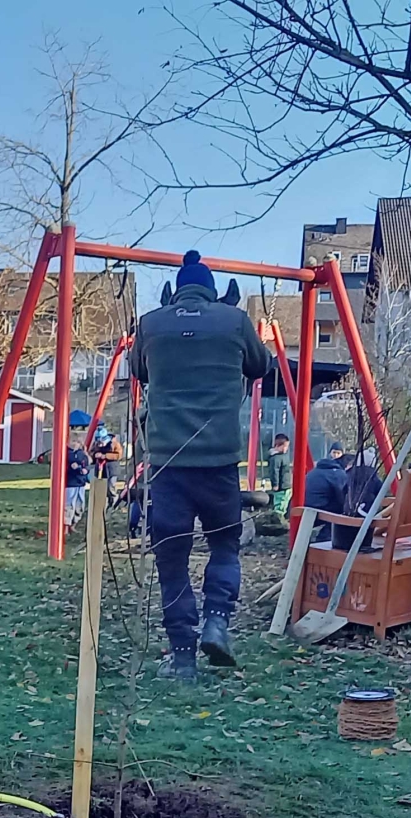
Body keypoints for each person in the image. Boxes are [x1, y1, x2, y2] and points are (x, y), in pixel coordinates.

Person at [128, 250, 272, 682]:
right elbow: (261, 366)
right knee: (225, 548)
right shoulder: (234, 321)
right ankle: (217, 621)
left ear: (175, 290)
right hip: (219, 461)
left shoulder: (151, 324)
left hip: (168, 464)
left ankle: (183, 658)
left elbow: (139, 371)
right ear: (214, 291)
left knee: (172, 562)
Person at [266, 433, 293, 515]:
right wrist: (275, 484)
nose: (286, 449)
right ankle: (278, 518)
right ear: (277, 445)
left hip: (287, 484)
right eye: (284, 446)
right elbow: (274, 471)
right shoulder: (275, 458)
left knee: (285, 502)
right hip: (281, 486)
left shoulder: (284, 456)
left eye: (287, 446)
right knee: (280, 504)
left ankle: (283, 515)